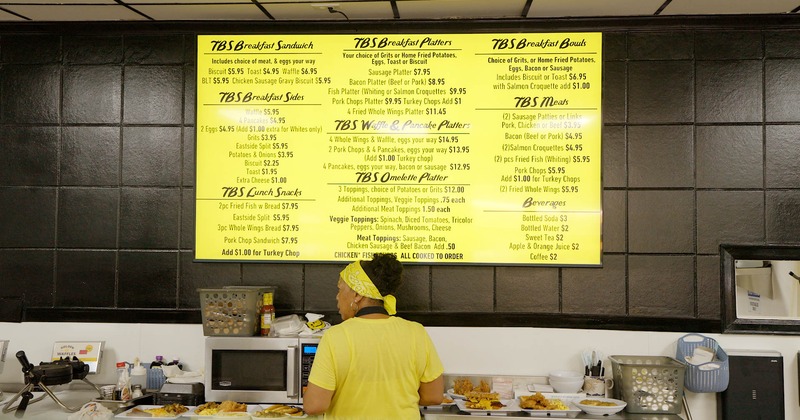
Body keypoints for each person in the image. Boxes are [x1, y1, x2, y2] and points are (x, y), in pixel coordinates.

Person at [303, 253, 445, 419]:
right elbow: (433, 396)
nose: (337, 297)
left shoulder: (335, 336)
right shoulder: (416, 332)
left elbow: (314, 405)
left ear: (357, 294)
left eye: (340, 289)